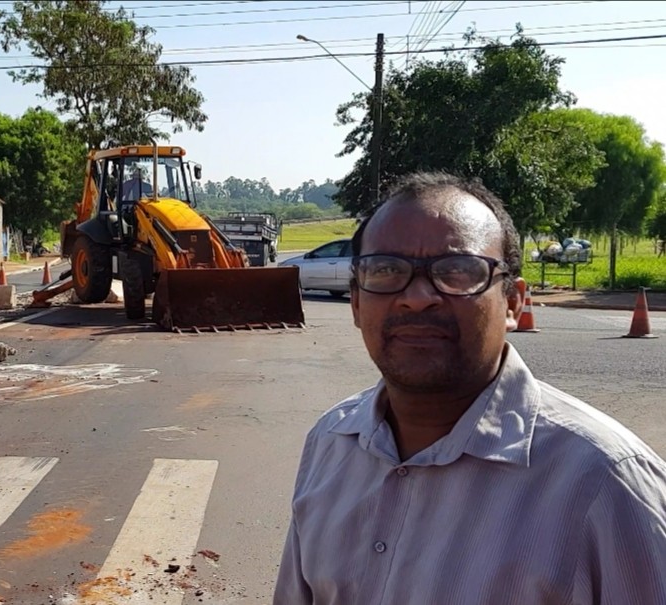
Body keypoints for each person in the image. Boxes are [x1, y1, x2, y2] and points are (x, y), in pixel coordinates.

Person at [274, 171, 666, 604]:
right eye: (385, 270)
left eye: (458, 270)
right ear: (356, 303)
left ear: (513, 303)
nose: (417, 297)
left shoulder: (606, 483)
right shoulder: (330, 443)